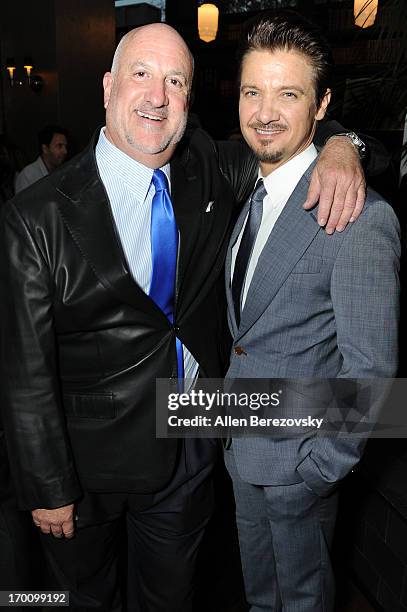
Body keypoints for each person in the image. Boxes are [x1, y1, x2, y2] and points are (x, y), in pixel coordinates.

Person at [0, 22, 380, 611]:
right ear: (107, 87)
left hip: (191, 444)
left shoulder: (208, 165)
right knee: (70, 600)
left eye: (175, 80)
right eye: (141, 75)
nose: (157, 95)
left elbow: (284, 136)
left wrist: (343, 146)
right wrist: (47, 486)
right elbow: (22, 371)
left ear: (189, 99)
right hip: (83, 466)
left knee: (175, 598)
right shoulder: (35, 214)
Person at [224, 11, 400, 612]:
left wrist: (319, 468)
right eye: (254, 91)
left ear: (322, 104)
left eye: (288, 94)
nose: (266, 111)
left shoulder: (360, 217)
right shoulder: (249, 185)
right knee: (259, 599)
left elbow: (372, 370)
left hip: (300, 468)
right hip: (241, 448)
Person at [14, 124, 68, 193]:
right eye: (59, 146)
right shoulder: (28, 176)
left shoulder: (62, 172)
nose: (65, 151)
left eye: (65, 146)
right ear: (45, 149)